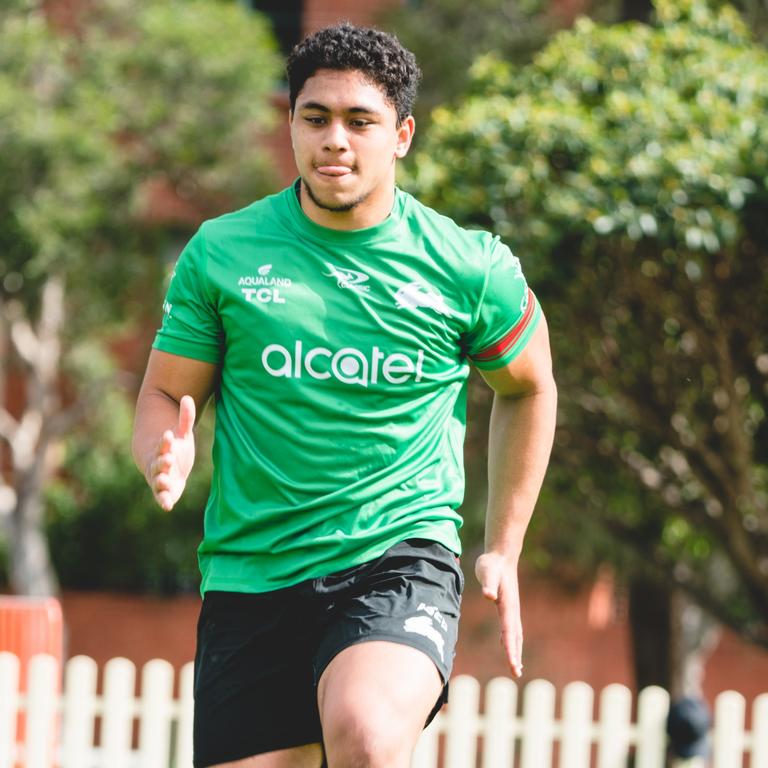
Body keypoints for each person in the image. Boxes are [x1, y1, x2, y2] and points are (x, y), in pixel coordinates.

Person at [132, 22, 557, 768]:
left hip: (397, 556)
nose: (335, 139)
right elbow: (167, 393)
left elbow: (528, 387)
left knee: (363, 730)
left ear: (401, 134)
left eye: (360, 121)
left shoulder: (467, 267)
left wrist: (503, 544)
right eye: (315, 117)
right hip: (251, 571)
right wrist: (162, 453)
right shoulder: (223, 252)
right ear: (290, 124)